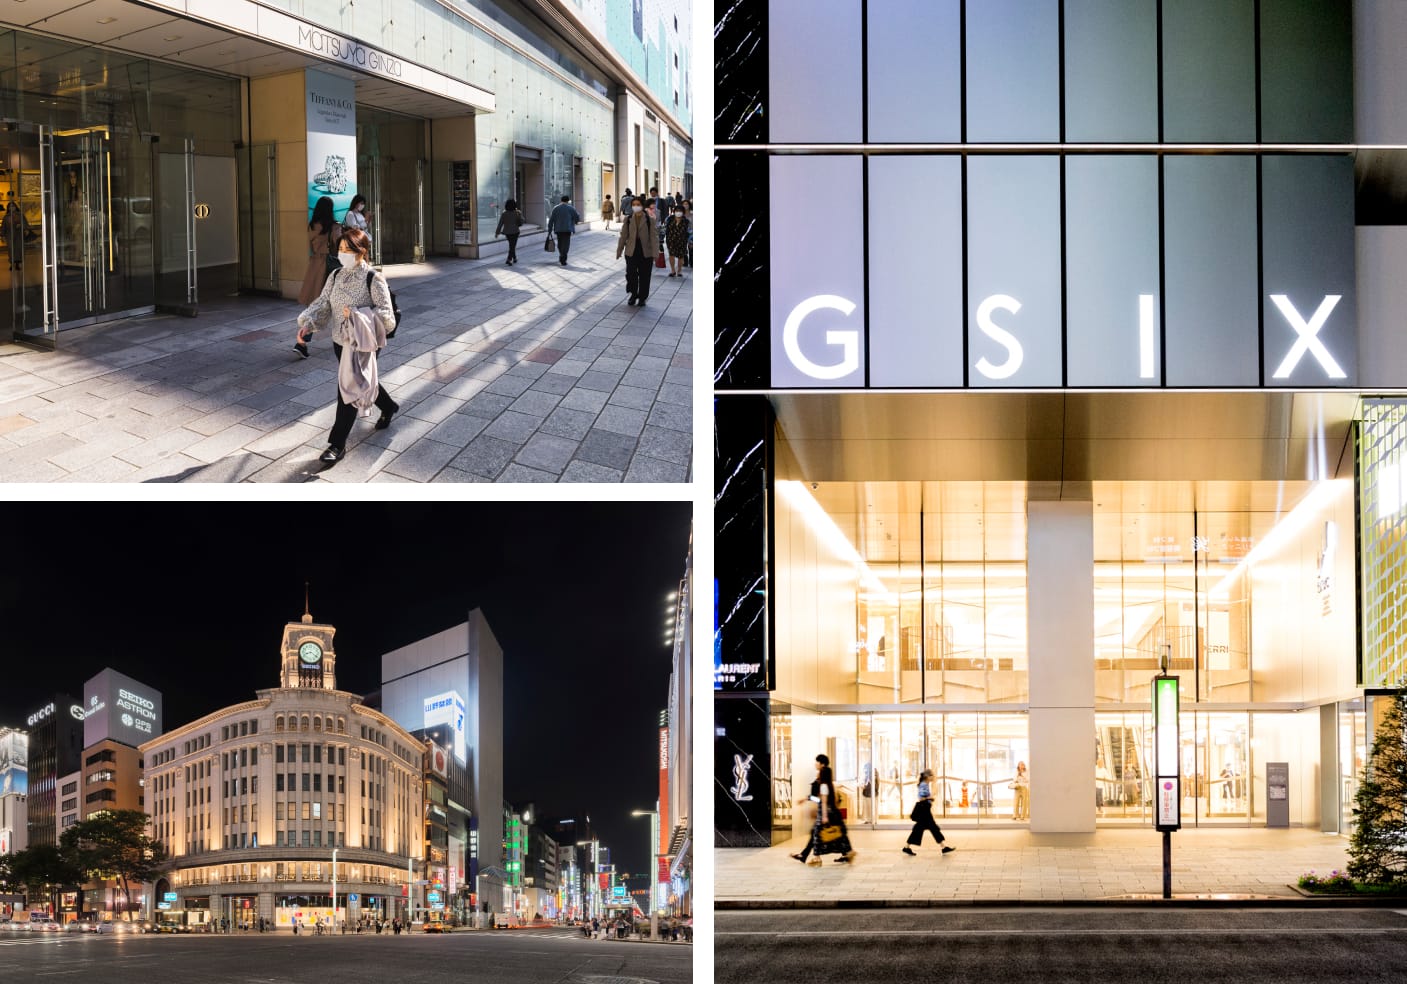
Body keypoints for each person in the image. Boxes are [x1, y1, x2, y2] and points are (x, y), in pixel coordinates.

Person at [295, 227, 398, 464]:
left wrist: (356, 314)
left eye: (349, 250)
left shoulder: (373, 278)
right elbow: (323, 303)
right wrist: (307, 324)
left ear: (362, 251)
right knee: (360, 381)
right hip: (340, 341)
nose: (343, 254)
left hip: (363, 342)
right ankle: (389, 406)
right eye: (341, 249)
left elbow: (387, 318)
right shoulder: (335, 275)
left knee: (349, 388)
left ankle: (337, 444)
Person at [791, 753, 855, 865]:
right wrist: (806, 798)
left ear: (822, 765)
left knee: (817, 834)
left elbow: (823, 801)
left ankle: (816, 858)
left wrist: (824, 815)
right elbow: (823, 800)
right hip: (832, 812)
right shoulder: (830, 785)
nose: (816, 765)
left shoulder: (824, 786)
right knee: (835, 833)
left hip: (825, 813)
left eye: (817, 762)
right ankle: (847, 852)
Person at [296, 195, 341, 313]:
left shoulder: (312, 225)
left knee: (313, 295)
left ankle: (308, 327)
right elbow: (338, 245)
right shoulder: (334, 226)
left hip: (315, 262)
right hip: (329, 262)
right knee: (333, 296)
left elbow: (310, 245)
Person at [615, 196, 658, 307]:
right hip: (631, 250)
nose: (635, 207)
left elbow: (654, 237)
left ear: (643, 206)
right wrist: (619, 250)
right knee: (631, 274)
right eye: (633, 205)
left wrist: (655, 253)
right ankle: (633, 294)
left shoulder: (650, 220)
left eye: (638, 204)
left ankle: (642, 298)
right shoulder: (628, 219)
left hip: (645, 251)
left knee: (645, 276)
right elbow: (623, 236)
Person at [903, 768, 957, 855]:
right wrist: (931, 798)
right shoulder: (924, 785)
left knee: (922, 828)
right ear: (927, 776)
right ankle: (943, 847)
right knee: (931, 828)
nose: (933, 777)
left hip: (925, 809)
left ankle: (907, 847)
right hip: (924, 810)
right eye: (932, 775)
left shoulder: (925, 784)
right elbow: (921, 798)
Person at [548, 194, 581, 265]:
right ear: (568, 201)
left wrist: (550, 229)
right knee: (566, 244)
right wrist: (577, 219)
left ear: (561, 200)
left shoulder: (555, 208)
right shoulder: (571, 208)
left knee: (560, 243)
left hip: (558, 229)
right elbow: (577, 218)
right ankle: (563, 258)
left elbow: (551, 220)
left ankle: (561, 255)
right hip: (567, 229)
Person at [495, 198, 524, 265]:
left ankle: (514, 258)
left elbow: (500, 224)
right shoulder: (517, 212)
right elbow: (522, 221)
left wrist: (497, 233)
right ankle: (509, 259)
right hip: (515, 231)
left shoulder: (504, 213)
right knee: (512, 246)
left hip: (507, 232)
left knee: (512, 245)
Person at [664, 203, 690, 278]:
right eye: (677, 210)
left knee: (680, 256)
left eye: (680, 211)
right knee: (671, 255)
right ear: (674, 211)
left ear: (683, 212)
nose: (678, 212)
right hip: (671, 240)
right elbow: (664, 228)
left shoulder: (686, 221)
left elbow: (689, 231)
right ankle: (672, 270)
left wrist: (690, 241)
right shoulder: (669, 219)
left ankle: (679, 270)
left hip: (682, 241)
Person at [3, 199, 28, 270]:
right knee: (11, 250)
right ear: (8, 208)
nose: (11, 208)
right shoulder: (6, 217)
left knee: (19, 249)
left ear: (15, 207)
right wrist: (3, 235)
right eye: (10, 207)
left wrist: (21, 226)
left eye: (13, 206)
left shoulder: (20, 215)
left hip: (19, 235)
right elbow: (3, 227)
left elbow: (25, 224)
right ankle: (12, 263)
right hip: (9, 236)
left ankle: (18, 264)